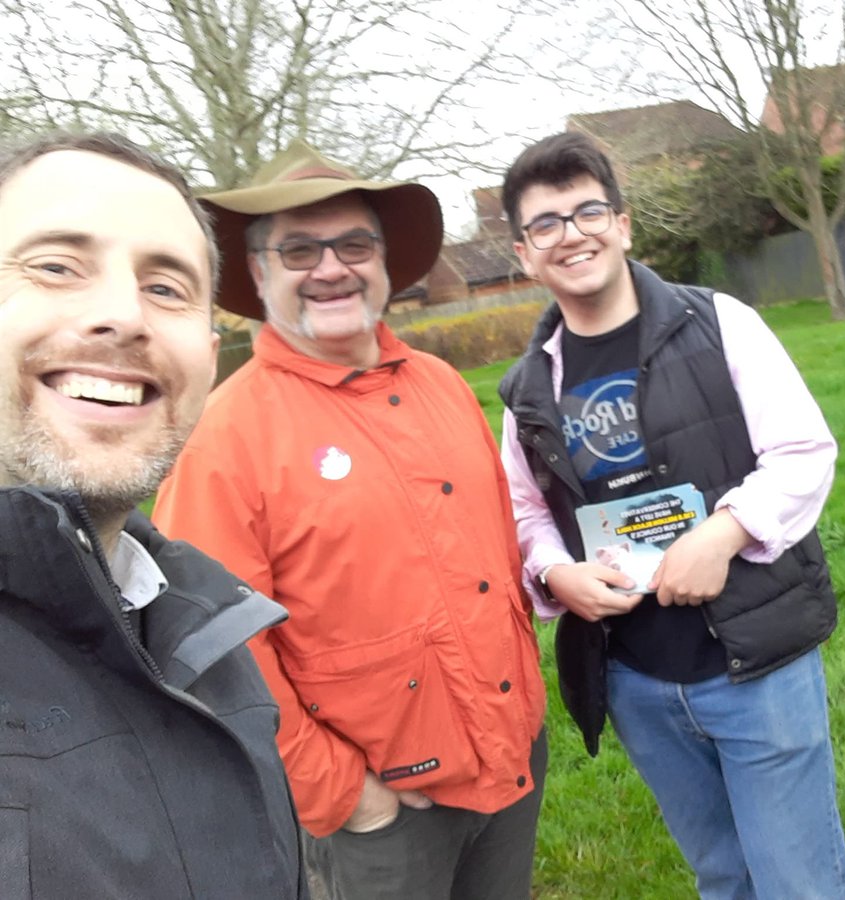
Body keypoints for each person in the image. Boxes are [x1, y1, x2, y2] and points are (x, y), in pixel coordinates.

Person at [152, 140, 546, 900]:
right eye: (298, 250)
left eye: (354, 244)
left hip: (511, 761)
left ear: (386, 264)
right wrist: (348, 799)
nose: (330, 268)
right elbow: (213, 651)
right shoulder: (224, 435)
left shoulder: (441, 384)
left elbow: (491, 555)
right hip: (378, 817)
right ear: (260, 273)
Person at [497, 131, 845, 900]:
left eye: (588, 210)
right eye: (546, 223)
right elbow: (525, 512)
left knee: (800, 883)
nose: (572, 233)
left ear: (624, 224)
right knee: (722, 877)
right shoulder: (526, 388)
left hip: (756, 660)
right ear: (524, 252)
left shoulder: (720, 322)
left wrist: (723, 535)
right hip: (635, 676)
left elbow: (803, 451)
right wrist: (557, 572)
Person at [0, 132, 305, 898]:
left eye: (166, 287)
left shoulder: (206, 626)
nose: (123, 315)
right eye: (56, 267)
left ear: (206, 353)